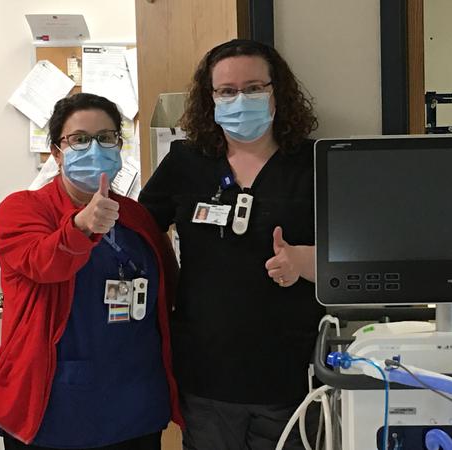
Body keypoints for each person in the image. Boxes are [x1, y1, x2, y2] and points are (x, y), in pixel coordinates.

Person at [139, 39, 324, 449]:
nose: (240, 100)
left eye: (254, 88)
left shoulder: (314, 162)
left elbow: (356, 257)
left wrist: (305, 261)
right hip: (208, 371)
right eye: (226, 91)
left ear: (277, 92)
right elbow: (139, 234)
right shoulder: (185, 162)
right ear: (211, 99)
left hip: (291, 371)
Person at [0, 93, 183, 449]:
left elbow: (168, 287)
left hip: (135, 399)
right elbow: (42, 263)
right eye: (80, 139)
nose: (95, 148)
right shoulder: (22, 209)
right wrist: (81, 226)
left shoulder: (136, 216)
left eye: (106, 137)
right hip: (56, 402)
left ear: (119, 145)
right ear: (56, 152)